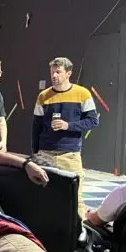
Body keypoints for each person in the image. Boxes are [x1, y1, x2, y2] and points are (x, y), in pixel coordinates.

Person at [32, 57, 99, 218]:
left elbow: (93, 121)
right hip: (45, 154)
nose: (54, 75)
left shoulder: (82, 94)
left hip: (69, 155)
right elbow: (36, 126)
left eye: (58, 72)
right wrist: (35, 152)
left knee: (75, 197)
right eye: (52, 72)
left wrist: (68, 125)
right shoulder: (43, 96)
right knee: (43, 196)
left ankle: (78, 229)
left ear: (68, 73)